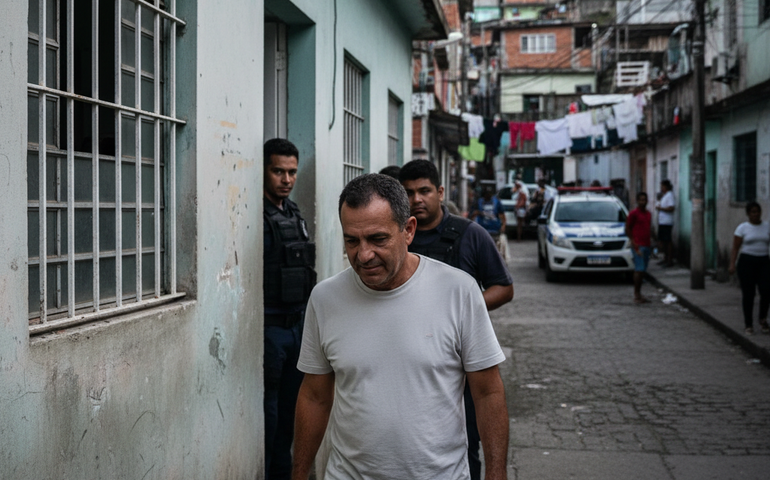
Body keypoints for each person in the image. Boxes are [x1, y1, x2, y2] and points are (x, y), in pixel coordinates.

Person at [292, 174, 510, 480]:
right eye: (352, 240)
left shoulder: (458, 291)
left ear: (408, 230)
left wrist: (496, 472)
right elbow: (315, 396)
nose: (364, 255)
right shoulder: (325, 299)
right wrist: (299, 473)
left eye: (378, 239)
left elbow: (487, 392)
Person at [399, 160, 513, 480]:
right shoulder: (395, 236)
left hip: (459, 363)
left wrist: (459, 311)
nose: (417, 199)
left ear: (440, 192)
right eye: (409, 193)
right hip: (406, 360)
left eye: (424, 191)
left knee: (465, 442)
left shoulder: (469, 234)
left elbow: (504, 288)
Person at [262, 138, 317, 480]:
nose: (286, 179)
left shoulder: (293, 212)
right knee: (269, 419)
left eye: (292, 172)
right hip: (270, 329)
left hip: (297, 328)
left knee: (291, 415)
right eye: (278, 171)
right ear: (264, 171)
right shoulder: (257, 215)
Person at [729, 202, 770, 335]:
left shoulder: (767, 226)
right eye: (753, 212)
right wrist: (732, 264)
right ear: (748, 214)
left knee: (766, 291)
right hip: (747, 262)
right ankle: (748, 324)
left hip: (763, 262)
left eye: (758, 211)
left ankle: (762, 318)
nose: (756, 214)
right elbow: (735, 248)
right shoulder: (742, 228)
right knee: (748, 294)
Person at [626, 192, 652, 304]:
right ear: (637, 201)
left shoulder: (648, 214)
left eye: (644, 200)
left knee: (643, 270)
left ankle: (639, 293)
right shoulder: (633, 214)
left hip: (647, 244)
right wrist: (633, 242)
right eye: (641, 200)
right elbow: (628, 228)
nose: (643, 202)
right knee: (639, 269)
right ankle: (636, 294)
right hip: (638, 245)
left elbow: (649, 228)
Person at [655, 179, 675, 267]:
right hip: (662, 221)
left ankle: (669, 260)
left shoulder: (670, 195)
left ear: (666, 187)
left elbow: (671, 208)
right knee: (663, 241)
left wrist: (661, 209)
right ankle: (665, 258)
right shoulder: (665, 195)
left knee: (667, 241)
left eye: (662, 186)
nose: (661, 188)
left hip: (667, 222)